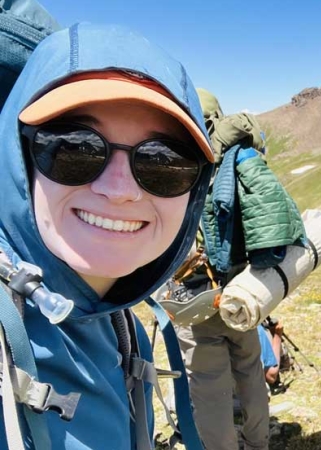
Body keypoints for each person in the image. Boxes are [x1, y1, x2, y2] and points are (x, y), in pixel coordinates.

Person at [0, 23, 214, 449]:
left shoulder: (122, 325)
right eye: (75, 148)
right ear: (18, 155)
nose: (119, 191)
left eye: (163, 162)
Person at [172, 89, 305, 450]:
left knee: (209, 388)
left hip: (197, 295)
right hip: (243, 290)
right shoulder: (238, 158)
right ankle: (257, 443)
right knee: (249, 373)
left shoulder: (183, 159)